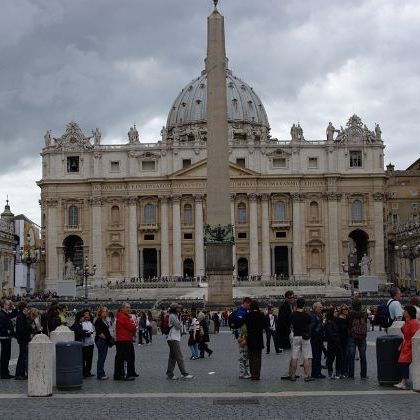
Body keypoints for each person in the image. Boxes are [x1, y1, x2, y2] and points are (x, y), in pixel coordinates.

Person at [285, 298, 313, 382]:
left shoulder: (292, 315)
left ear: (296, 305)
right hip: (305, 337)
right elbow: (310, 324)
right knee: (306, 357)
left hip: (296, 336)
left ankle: (293, 375)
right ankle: (306, 375)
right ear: (304, 305)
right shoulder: (307, 315)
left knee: (294, 357)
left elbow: (290, 324)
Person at [394, 305, 420, 390]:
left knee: (404, 362)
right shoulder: (408, 321)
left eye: (405, 311)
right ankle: (404, 380)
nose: (404, 312)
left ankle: (404, 381)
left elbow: (415, 335)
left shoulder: (414, 322)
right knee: (403, 362)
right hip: (407, 344)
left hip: (410, 345)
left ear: (409, 312)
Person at [166, 302, 193, 380]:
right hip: (173, 338)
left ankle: (169, 373)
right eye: (178, 308)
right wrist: (180, 323)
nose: (179, 309)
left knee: (172, 357)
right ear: (174, 309)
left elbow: (179, 326)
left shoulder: (175, 316)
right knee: (179, 356)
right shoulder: (172, 316)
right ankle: (184, 373)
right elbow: (178, 327)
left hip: (173, 338)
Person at [244, 301, 268, 380]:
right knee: (257, 357)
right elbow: (266, 325)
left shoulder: (247, 315)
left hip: (250, 338)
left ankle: (252, 373)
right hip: (258, 338)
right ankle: (256, 374)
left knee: (251, 357)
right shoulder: (261, 315)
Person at [114, 303, 137, 381]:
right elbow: (132, 327)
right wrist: (133, 322)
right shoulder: (123, 317)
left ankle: (119, 374)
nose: (129, 309)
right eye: (127, 308)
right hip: (124, 340)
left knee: (120, 358)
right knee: (126, 359)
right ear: (122, 309)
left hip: (123, 340)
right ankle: (125, 375)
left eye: (129, 308)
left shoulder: (122, 316)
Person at [347, 299, 368, 379]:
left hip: (352, 336)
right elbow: (365, 323)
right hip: (362, 336)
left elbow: (349, 324)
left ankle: (351, 375)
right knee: (363, 356)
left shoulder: (350, 314)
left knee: (351, 356)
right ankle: (363, 375)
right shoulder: (364, 313)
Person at [232, 297, 252, 379]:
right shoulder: (241, 312)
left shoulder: (242, 311)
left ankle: (245, 372)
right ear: (245, 303)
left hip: (242, 336)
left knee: (245, 355)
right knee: (243, 355)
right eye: (249, 305)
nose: (249, 306)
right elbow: (241, 325)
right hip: (242, 337)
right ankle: (243, 373)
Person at [14, 302, 34, 380]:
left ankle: (21, 373)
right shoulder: (21, 317)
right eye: (26, 308)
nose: (27, 309)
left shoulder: (22, 316)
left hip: (23, 339)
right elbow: (21, 329)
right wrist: (28, 334)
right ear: (24, 308)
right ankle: (19, 374)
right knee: (22, 356)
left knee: (22, 356)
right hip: (23, 339)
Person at [0, 299, 17, 379]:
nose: (8, 306)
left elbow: (14, 313)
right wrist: (8, 331)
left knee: (7, 356)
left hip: (7, 337)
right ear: (3, 305)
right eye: (7, 304)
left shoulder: (6, 313)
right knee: (5, 356)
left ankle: (6, 372)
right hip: (4, 337)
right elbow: (1, 327)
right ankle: (3, 373)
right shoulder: (1, 314)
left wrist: (12, 305)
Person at [94, 306, 113, 380]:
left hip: (104, 341)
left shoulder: (105, 320)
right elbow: (99, 333)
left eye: (106, 311)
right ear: (100, 312)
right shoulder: (98, 320)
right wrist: (107, 339)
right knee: (101, 358)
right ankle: (100, 374)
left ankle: (102, 373)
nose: (106, 312)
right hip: (101, 340)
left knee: (103, 358)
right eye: (104, 311)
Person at [310, 302, 325, 379]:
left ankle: (318, 372)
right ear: (315, 308)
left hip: (319, 339)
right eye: (320, 308)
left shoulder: (319, 315)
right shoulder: (313, 316)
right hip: (315, 339)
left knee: (318, 356)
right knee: (316, 356)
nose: (321, 309)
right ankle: (316, 373)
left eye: (322, 307)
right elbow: (312, 328)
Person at [325, 307, 340, 379]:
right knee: (331, 358)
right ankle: (330, 373)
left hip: (336, 342)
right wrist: (337, 338)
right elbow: (330, 334)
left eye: (337, 311)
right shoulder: (329, 322)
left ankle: (337, 373)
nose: (337, 312)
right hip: (332, 343)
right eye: (335, 311)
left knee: (338, 358)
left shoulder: (336, 320)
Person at [336, 304, 349, 378]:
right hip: (340, 339)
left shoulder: (348, 317)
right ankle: (339, 371)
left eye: (346, 309)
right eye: (344, 309)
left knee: (346, 356)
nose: (345, 310)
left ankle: (345, 371)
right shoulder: (338, 318)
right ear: (341, 310)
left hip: (346, 339)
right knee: (340, 356)